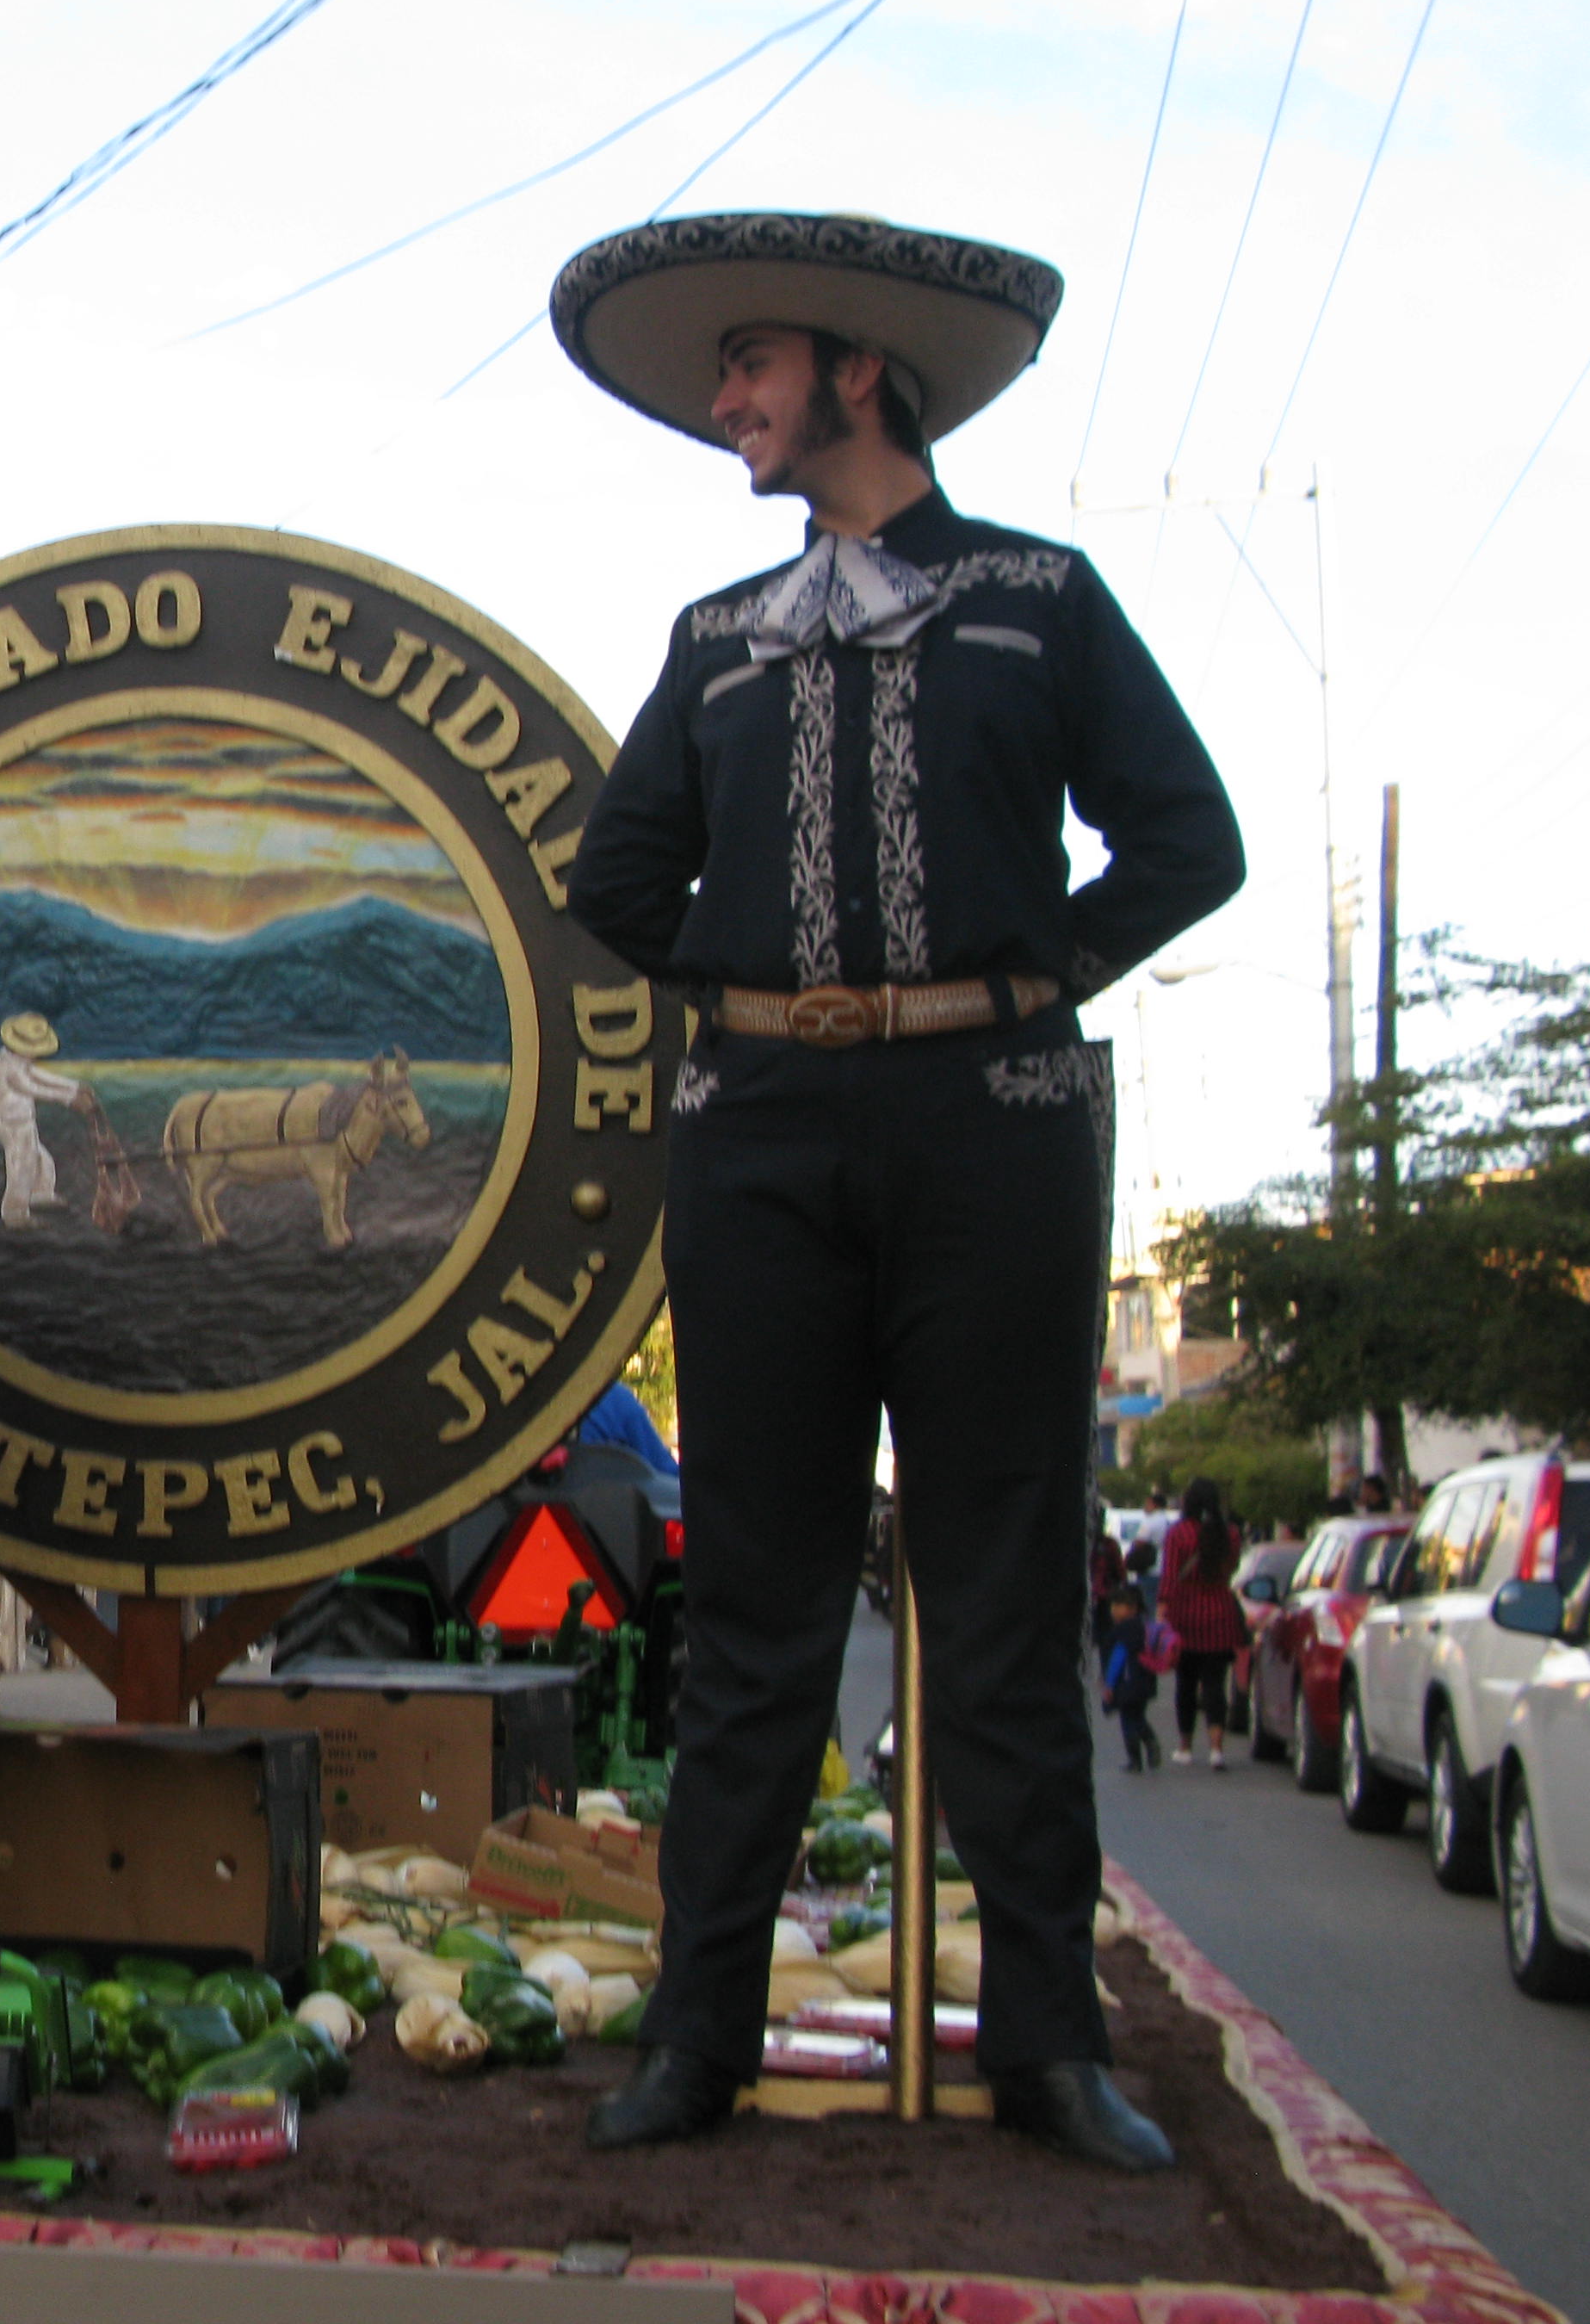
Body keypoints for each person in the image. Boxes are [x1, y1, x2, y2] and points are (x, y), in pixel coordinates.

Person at [553, 212, 1244, 2173]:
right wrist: (751, 985)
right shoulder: (712, 640)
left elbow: (1187, 839)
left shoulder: (1039, 598)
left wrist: (1025, 971)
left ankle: (1044, 2041)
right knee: (754, 1599)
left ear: (857, 368)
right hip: (758, 1137)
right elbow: (612, 883)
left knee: (1005, 1593)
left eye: (750, 364)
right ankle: (701, 2031)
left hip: (994, 1124)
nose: (724, 403)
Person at [1159, 1477, 1247, 1770]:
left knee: (1185, 1683)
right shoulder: (1230, 1534)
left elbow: (1170, 1578)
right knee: (1214, 1684)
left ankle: (1185, 1747)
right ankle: (1216, 1749)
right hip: (1220, 1614)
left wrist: (1162, 1615)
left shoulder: (1178, 1534)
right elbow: (1232, 1569)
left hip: (1185, 1615)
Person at [0, 1012, 86, 1228]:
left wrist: (74, 1087)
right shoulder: (10, 1070)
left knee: (43, 1161)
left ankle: (41, 1194)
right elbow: (30, 1087)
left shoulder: (19, 1064)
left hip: (24, 1123)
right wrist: (68, 1097)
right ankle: (15, 1213)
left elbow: (38, 1077)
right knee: (21, 1167)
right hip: (14, 1126)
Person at [1098, 1591, 1164, 1774]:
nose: (1114, 1610)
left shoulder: (1122, 1632)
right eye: (1113, 1606)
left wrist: (1109, 1684)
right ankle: (1150, 1742)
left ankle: (1135, 1760)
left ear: (1132, 1609)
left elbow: (1117, 1659)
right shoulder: (1144, 1627)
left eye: (1119, 1606)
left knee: (1128, 1720)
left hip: (1126, 1682)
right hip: (1144, 1680)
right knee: (1138, 1716)